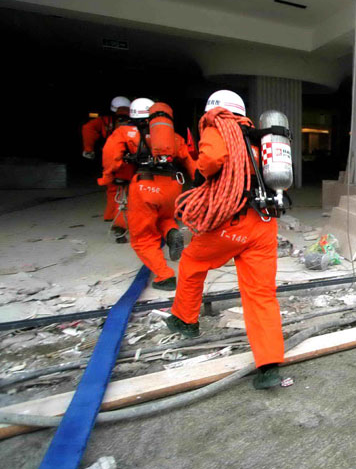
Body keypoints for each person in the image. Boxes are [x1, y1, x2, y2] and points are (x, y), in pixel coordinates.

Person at [165, 90, 286, 389]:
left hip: (231, 222)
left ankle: (185, 320)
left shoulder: (217, 125)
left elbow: (212, 159)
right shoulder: (259, 138)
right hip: (264, 223)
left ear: (215, 109)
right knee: (261, 295)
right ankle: (269, 366)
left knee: (192, 262)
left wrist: (200, 176)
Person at [101, 99, 195, 290]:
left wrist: (108, 176)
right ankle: (171, 232)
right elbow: (189, 159)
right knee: (164, 217)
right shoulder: (173, 136)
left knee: (142, 238)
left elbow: (110, 155)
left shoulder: (124, 132)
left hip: (145, 186)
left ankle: (164, 276)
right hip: (172, 186)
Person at [83, 96, 131, 227]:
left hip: (110, 155)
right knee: (132, 187)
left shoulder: (105, 121)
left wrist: (88, 149)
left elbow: (87, 128)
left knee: (112, 187)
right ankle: (126, 217)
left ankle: (110, 215)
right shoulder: (137, 121)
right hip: (130, 157)